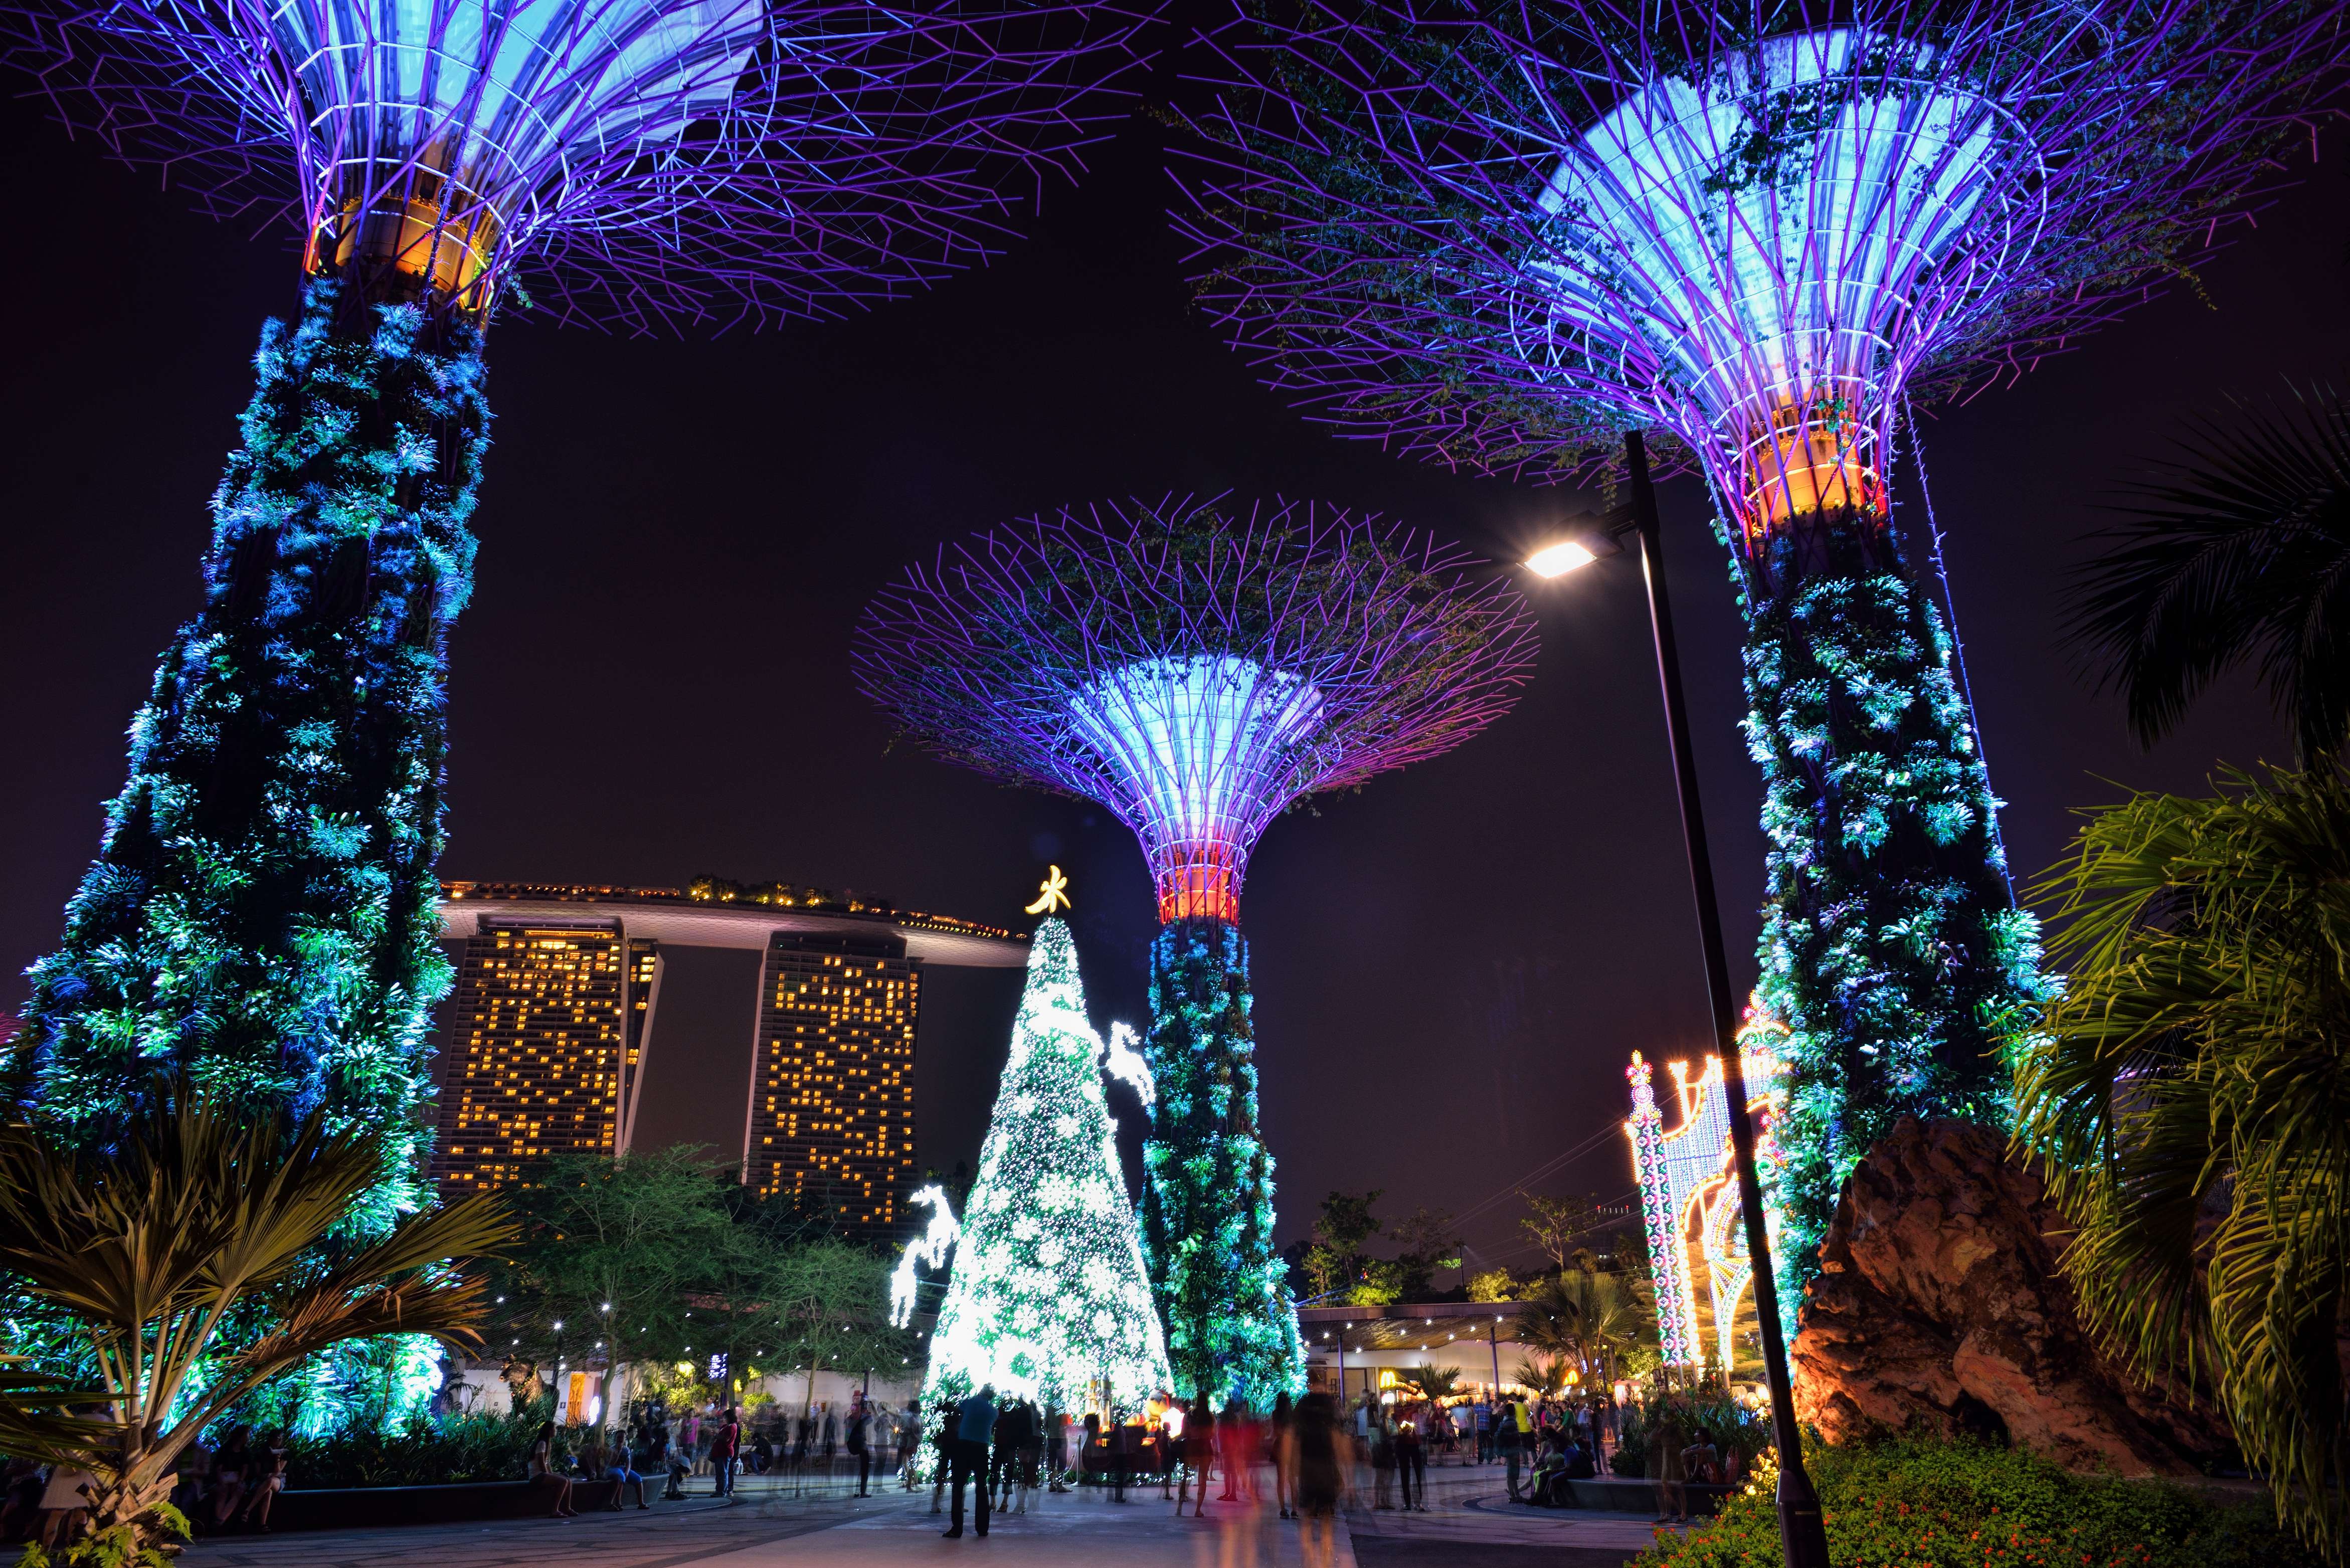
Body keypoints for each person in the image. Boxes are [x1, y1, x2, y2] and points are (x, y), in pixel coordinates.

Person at [1290, 1394, 1344, 1568]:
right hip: (1326, 1474)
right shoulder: (1328, 1428)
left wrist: (1291, 1474)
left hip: (1308, 1474)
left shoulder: (1301, 1429)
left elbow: (1293, 1449)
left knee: (1306, 1518)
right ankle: (1326, 1560)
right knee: (1326, 1519)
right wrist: (1346, 1477)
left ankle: (1310, 1558)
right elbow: (1340, 1448)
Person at [943, 1383, 997, 1539]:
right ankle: (982, 1528)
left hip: (964, 1446)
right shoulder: (994, 1411)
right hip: (982, 1448)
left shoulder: (970, 1402)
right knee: (981, 1487)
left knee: (958, 1487)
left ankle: (957, 1528)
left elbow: (959, 1408)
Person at [1649, 1403, 1689, 1525]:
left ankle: (1684, 1513)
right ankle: (1667, 1513)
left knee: (1679, 1486)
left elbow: (1683, 1440)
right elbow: (1652, 1437)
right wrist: (1659, 1427)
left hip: (1675, 1456)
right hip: (1666, 1456)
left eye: (1665, 1417)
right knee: (1665, 1486)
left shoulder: (1677, 1428)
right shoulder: (1663, 1429)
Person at [527, 1420, 577, 1518]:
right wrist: (549, 1475)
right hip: (537, 1475)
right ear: (550, 1431)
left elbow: (548, 1463)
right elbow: (542, 1463)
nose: (556, 1431)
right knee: (563, 1482)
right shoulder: (542, 1444)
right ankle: (555, 1510)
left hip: (543, 1474)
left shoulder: (548, 1444)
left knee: (568, 1481)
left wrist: (552, 1474)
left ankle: (567, 1507)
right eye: (555, 1429)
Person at [1269, 1392, 1295, 1519]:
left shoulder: (1276, 1414)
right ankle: (1295, 1509)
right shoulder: (1292, 1415)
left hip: (1279, 1446)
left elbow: (1275, 1431)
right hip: (1291, 1445)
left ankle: (1283, 1508)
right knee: (1292, 1479)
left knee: (1281, 1479)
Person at [1394, 1418, 1426, 1513]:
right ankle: (1407, 1502)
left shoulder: (1414, 1408)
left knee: (1417, 1475)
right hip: (1402, 1444)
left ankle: (1417, 1502)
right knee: (1405, 1474)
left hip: (1414, 1443)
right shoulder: (1397, 1411)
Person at [710, 1406, 740, 1497]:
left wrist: (716, 1434)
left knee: (723, 1473)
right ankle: (719, 1490)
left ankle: (722, 1491)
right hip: (720, 1452)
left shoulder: (732, 1427)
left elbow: (726, 1439)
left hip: (724, 1452)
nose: (724, 1419)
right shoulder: (727, 1426)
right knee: (720, 1473)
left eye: (725, 1417)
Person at [846, 1392, 871, 1497]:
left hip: (853, 1444)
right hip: (861, 1444)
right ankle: (862, 1491)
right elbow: (871, 1419)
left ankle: (854, 1491)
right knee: (864, 1468)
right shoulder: (864, 1418)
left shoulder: (851, 1418)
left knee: (855, 1469)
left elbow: (848, 1431)